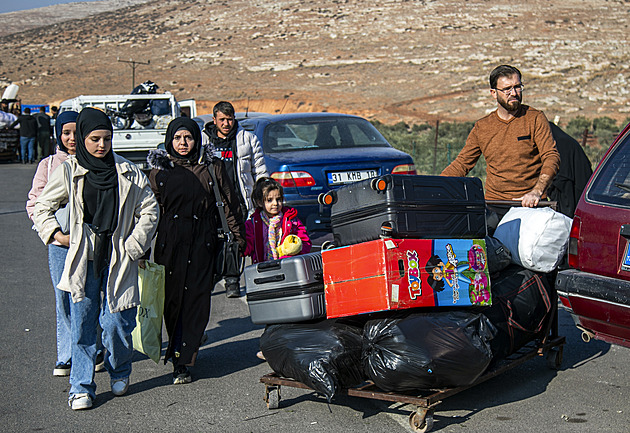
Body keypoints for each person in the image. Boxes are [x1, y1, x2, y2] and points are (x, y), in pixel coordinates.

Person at [32, 107, 159, 410]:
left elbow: (150, 209)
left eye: (106, 139)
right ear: (82, 139)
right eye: (94, 139)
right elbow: (41, 207)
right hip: (83, 259)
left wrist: (133, 245)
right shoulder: (69, 170)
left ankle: (120, 370)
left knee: (117, 322)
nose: (101, 145)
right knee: (84, 324)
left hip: (118, 257)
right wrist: (56, 235)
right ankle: (81, 386)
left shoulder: (127, 171)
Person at [147, 117, 246, 384]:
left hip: (204, 242)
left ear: (197, 139)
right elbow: (148, 213)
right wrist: (141, 247)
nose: (183, 143)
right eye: (177, 138)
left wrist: (238, 238)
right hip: (170, 244)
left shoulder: (211, 167)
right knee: (172, 301)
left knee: (197, 301)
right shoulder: (158, 173)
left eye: (188, 138)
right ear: (169, 140)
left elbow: (230, 203)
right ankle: (179, 346)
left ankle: (183, 361)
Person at [26, 110, 106, 377]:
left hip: (92, 242)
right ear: (58, 134)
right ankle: (67, 355)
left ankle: (93, 349)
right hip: (60, 245)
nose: (72, 138)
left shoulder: (98, 161)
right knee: (64, 298)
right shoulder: (49, 165)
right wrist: (54, 233)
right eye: (66, 133)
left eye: (77, 132)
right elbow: (35, 205)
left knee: (89, 296)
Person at [441, 65, 560, 219]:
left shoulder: (535, 118)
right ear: (493, 93)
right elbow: (462, 164)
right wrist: (436, 187)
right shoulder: (482, 126)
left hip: (530, 204)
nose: (514, 93)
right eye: (507, 89)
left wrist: (536, 191)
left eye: (517, 87)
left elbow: (551, 156)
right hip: (494, 205)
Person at [203, 101, 269, 298]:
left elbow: (260, 170)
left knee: (236, 240)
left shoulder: (247, 139)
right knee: (212, 240)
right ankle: (212, 277)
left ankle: (232, 280)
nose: (226, 123)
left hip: (238, 200)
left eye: (229, 119)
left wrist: (262, 195)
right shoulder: (205, 142)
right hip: (211, 200)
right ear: (214, 120)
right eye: (222, 119)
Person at [243, 177, 311, 360]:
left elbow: (305, 241)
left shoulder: (290, 220)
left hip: (286, 272)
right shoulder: (253, 223)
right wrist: (240, 246)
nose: (275, 204)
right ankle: (270, 348)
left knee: (289, 311)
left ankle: (291, 346)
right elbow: (248, 245)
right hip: (264, 273)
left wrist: (296, 248)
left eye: (278, 199)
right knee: (271, 314)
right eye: (269, 200)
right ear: (259, 202)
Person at [546, 122, 593, 217]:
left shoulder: (556, 143)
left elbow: (561, 178)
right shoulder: (560, 139)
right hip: (579, 188)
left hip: (569, 186)